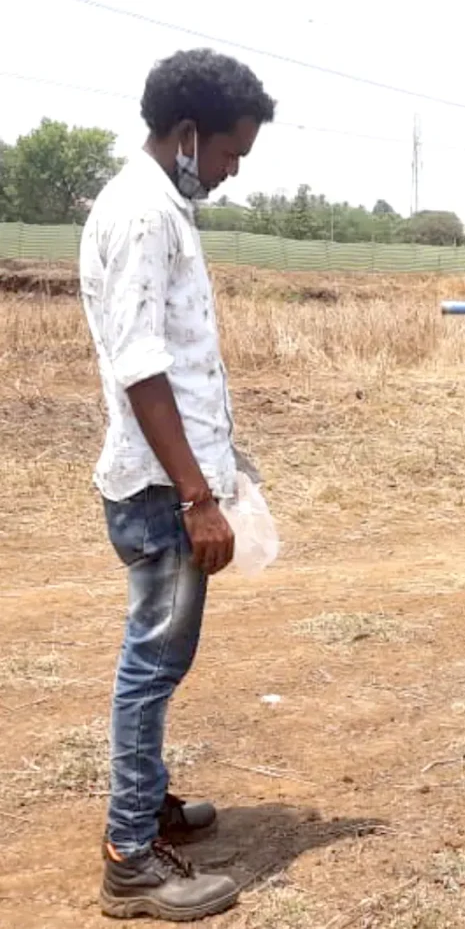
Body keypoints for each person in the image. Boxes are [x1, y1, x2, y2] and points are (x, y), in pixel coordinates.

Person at [79, 48, 275, 920]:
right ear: (189, 134)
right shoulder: (144, 213)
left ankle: (145, 805)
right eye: (232, 151)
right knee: (151, 666)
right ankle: (131, 857)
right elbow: (142, 364)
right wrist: (198, 496)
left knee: (159, 660)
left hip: (174, 476)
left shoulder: (158, 206)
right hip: (162, 490)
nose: (233, 170)